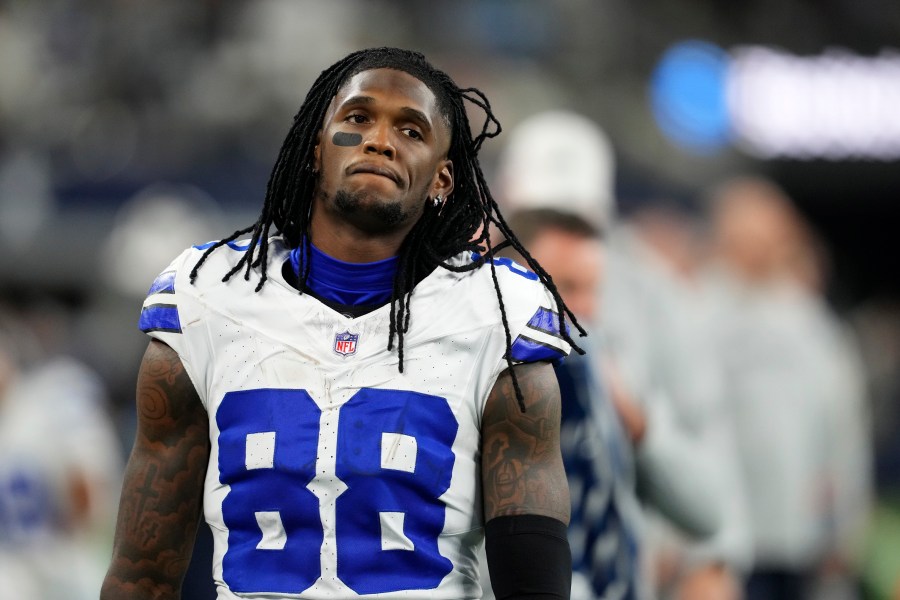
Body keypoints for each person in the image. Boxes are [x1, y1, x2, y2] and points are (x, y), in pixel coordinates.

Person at [101, 47, 583, 600]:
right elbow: (143, 573)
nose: (379, 140)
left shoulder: (497, 313)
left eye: (411, 130)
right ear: (315, 148)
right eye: (357, 119)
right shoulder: (207, 298)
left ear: (442, 180)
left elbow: (533, 574)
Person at [498, 208, 646, 600]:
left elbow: (707, 513)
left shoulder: (601, 365)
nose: (588, 309)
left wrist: (643, 429)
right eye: (566, 286)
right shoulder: (484, 379)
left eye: (593, 290)